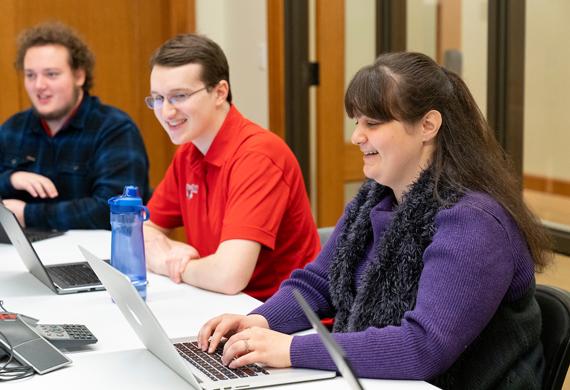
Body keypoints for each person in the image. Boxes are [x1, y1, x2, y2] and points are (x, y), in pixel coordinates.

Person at [197, 52, 552, 389]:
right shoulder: (374, 199)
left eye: (373, 123)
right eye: (357, 122)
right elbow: (318, 283)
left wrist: (291, 351)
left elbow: (423, 347)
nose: (356, 136)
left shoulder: (474, 223)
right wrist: (258, 321)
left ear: (428, 125)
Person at [143, 34, 319, 301]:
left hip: (278, 320)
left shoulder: (258, 156)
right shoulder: (189, 153)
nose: (166, 112)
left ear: (220, 92)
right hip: (218, 303)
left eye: (179, 96)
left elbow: (229, 276)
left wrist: (175, 264)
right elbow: (141, 232)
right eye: (158, 98)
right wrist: (171, 255)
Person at [0, 22, 150, 230]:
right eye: (30, 75)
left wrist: (27, 214)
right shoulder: (12, 129)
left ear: (79, 76)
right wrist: (10, 179)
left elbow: (113, 210)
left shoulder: (115, 129)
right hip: (21, 257)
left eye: (51, 74)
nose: (39, 85)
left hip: (93, 258)